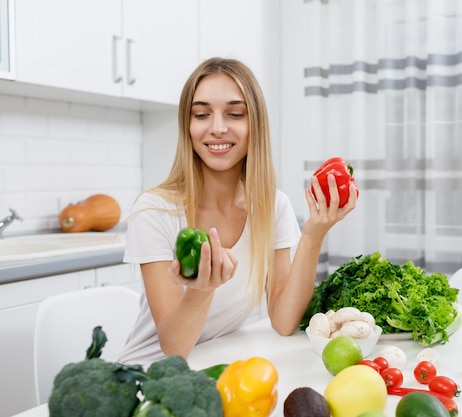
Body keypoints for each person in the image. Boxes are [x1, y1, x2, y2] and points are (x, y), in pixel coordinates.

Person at [117, 57, 357, 365]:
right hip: (147, 373)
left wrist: (313, 234)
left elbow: (284, 322)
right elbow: (173, 346)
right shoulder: (155, 211)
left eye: (235, 113)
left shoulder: (272, 207)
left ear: (254, 123)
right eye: (202, 114)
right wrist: (202, 290)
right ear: (187, 126)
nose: (217, 128)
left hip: (212, 366)